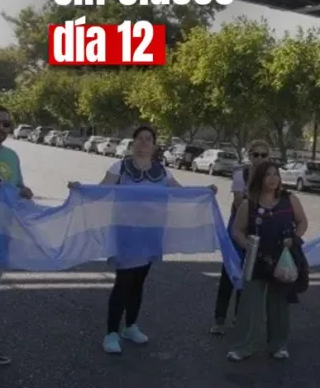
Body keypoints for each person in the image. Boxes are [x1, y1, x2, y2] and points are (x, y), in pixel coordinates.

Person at [68, 126, 217, 354]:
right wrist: (81, 189)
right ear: (133, 142)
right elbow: (102, 190)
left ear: (154, 145)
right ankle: (111, 333)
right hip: (127, 233)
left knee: (139, 282)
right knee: (124, 282)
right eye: (139, 138)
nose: (144, 143)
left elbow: (181, 193)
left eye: (148, 139)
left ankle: (130, 326)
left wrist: (205, 191)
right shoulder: (119, 167)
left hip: (151, 233)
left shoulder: (162, 171)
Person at [226, 161, 309, 361]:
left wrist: (294, 238)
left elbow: (302, 222)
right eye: (268, 175)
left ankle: (278, 345)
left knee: (279, 304)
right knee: (249, 305)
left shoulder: (289, 199)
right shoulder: (249, 204)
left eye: (276, 174)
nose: (273, 179)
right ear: (259, 179)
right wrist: (246, 244)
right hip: (256, 260)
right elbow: (237, 230)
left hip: (283, 260)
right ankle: (243, 347)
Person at [0, 105, 33, 366]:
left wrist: (24, 191)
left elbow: (17, 187)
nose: (0, 128)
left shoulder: (12, 156)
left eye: (6, 124)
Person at [211, 140, 271, 335]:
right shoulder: (240, 173)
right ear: (249, 155)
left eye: (264, 155)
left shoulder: (270, 175)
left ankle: (239, 315)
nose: (259, 158)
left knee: (249, 272)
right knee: (230, 271)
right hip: (238, 227)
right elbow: (239, 201)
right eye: (256, 154)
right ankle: (220, 318)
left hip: (259, 229)